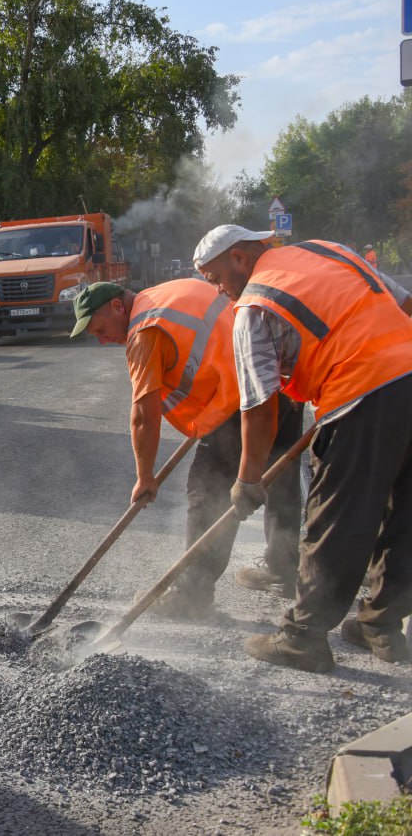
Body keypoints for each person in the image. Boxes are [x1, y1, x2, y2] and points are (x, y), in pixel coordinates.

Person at [193, 226, 412, 672]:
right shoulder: (328, 249)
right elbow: (404, 303)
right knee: (405, 511)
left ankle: (303, 637)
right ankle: (381, 624)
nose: (218, 290)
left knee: (337, 517)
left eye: (216, 277)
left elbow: (259, 407)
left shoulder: (254, 305)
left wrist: (247, 481)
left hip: (360, 392)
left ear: (239, 257)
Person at [71, 280, 303, 618]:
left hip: (238, 403)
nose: (102, 339)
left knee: (208, 493)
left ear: (118, 307)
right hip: (276, 384)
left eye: (101, 329)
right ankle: (283, 569)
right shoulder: (172, 292)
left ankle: (192, 594)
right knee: (277, 478)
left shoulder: (145, 331)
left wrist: (145, 476)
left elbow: (144, 416)